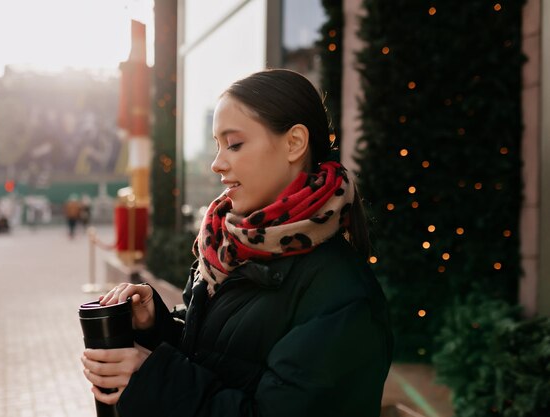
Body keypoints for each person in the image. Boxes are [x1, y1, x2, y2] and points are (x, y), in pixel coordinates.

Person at [81, 69, 393, 416]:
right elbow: (221, 354)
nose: (217, 163)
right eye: (217, 145)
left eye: (234, 144)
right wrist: (156, 326)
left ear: (294, 143)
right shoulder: (228, 247)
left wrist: (153, 377)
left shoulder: (341, 294)